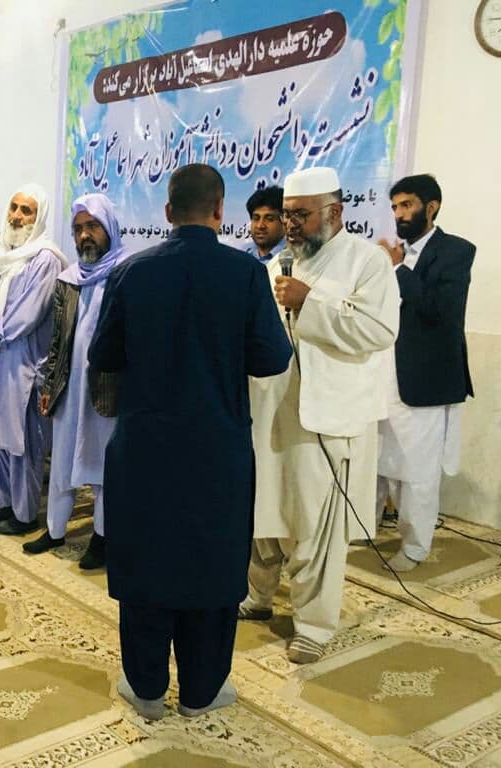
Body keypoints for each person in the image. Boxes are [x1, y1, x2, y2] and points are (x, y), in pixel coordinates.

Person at [89, 163, 292, 720]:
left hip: (145, 449)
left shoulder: (132, 272)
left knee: (146, 563)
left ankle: (146, 689)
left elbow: (103, 355)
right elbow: (272, 359)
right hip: (216, 451)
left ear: (168, 212)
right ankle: (203, 691)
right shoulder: (245, 274)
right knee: (212, 564)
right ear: (221, 211)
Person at [240, 166, 400, 665]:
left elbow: (379, 330)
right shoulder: (277, 265)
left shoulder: (366, 262)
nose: (290, 224)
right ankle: (258, 596)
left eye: (300, 215)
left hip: (325, 419)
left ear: (334, 212)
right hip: (272, 411)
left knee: (314, 526)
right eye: (286, 215)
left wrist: (310, 303)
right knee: (263, 512)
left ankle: (313, 624)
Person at [375, 174, 475, 571]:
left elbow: (441, 310)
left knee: (418, 470)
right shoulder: (392, 255)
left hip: (425, 383)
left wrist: (399, 269)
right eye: (395, 207)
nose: (399, 214)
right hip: (386, 377)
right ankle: (368, 530)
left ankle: (415, 546)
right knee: (382, 463)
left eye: (407, 205)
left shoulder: (456, 251)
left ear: (431, 207)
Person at [25, 193, 128, 568]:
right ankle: (54, 530)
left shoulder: (126, 274)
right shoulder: (68, 280)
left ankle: (102, 538)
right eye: (78, 228)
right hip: (69, 388)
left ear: (109, 228)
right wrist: (49, 386)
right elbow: (58, 340)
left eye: (93, 226)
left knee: (103, 468)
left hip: (108, 390)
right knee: (63, 462)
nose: (85, 235)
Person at [0, 184, 66, 534]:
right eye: (14, 207)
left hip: (24, 363)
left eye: (26, 211)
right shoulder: (6, 255)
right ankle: (7, 502)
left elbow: (29, 313)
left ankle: (25, 515)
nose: (16, 216)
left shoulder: (45, 259)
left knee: (22, 441)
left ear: (39, 217)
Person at [245, 186, 285, 263]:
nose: (260, 226)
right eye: (256, 218)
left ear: (284, 221)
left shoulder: (295, 258)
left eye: (269, 219)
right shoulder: (242, 255)